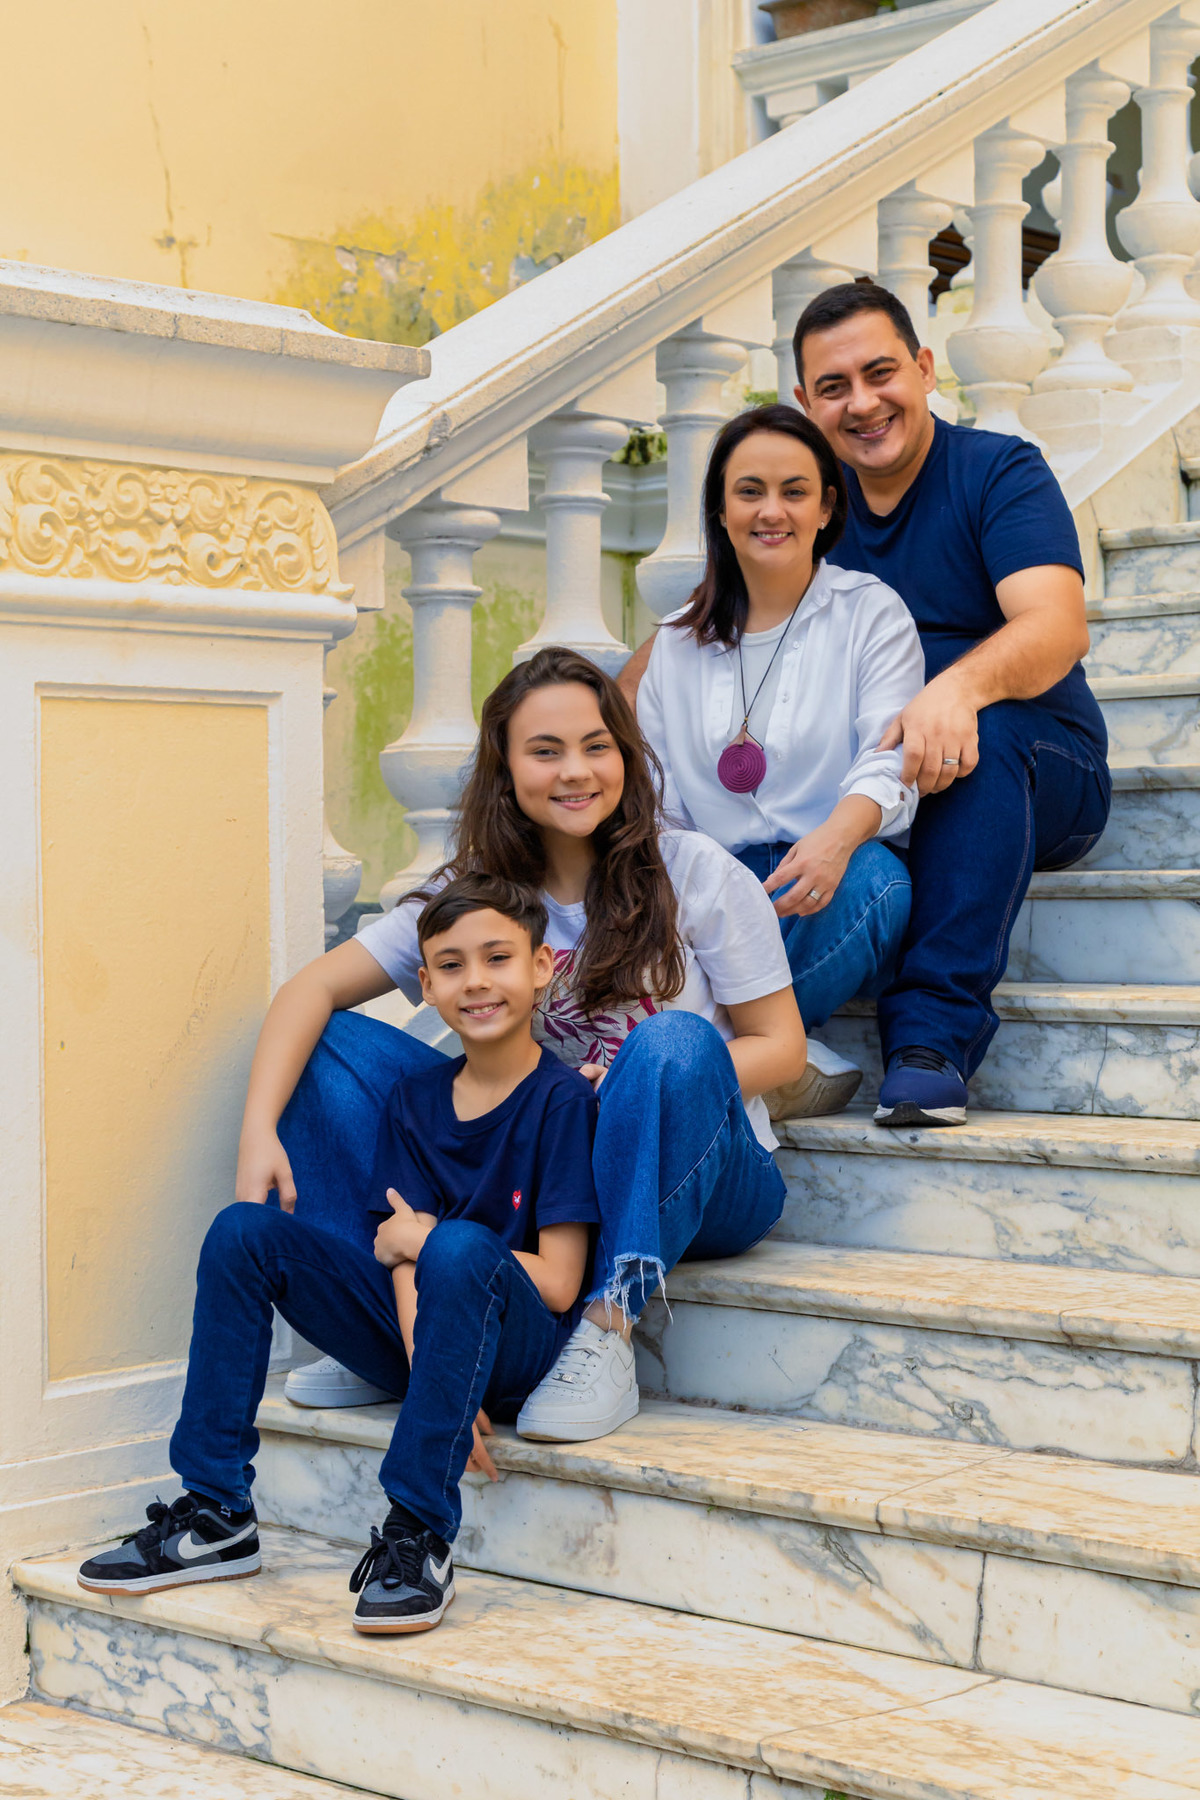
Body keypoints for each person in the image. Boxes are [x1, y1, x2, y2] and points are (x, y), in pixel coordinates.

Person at [250, 645, 802, 1445]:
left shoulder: (695, 871)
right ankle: (389, 1329)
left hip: (704, 1171)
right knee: (330, 1048)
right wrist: (258, 1133)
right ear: (505, 771)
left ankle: (607, 1330)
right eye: (545, 751)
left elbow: (781, 1046)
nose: (575, 770)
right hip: (546, 1184)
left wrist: (623, 1092)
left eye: (596, 746)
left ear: (625, 754)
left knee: (670, 1044)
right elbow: (310, 990)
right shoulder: (478, 898)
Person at [621, 283, 1110, 1129]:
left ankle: (929, 1041)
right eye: (834, 387)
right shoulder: (810, 499)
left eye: (881, 373)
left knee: (971, 741)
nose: (862, 402)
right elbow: (695, 632)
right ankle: (745, 1048)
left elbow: (1058, 627)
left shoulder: (998, 471)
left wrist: (955, 689)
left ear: (924, 369)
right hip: (884, 786)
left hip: (1034, 763)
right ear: (805, 403)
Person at [77, 874, 602, 1637]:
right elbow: (396, 1261)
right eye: (450, 965)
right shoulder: (415, 1100)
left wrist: (428, 1240)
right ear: (425, 986)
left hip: (517, 1355)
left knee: (456, 1243)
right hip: (423, 1340)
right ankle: (217, 1512)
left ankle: (418, 1535)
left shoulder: (562, 1100)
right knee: (242, 1231)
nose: (476, 981)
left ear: (541, 967)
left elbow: (556, 1283)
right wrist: (433, 1377)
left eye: (498, 958)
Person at [636, 403, 923, 1118]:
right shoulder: (675, 641)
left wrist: (834, 841)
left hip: (822, 878)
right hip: (711, 884)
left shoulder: (870, 612)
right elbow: (656, 800)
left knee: (880, 884)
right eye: (749, 491)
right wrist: (698, 899)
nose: (772, 511)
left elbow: (888, 762)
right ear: (720, 509)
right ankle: (775, 1066)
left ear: (826, 507)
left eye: (794, 491)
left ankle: (723, 1055)